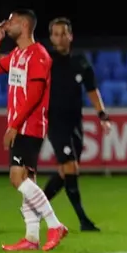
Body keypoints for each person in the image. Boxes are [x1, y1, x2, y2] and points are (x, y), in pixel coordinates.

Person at [0, 11, 68, 251]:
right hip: (20, 124)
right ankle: (31, 237)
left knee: (16, 178)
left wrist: (14, 125)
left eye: (11, 21)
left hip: (29, 125)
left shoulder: (39, 55)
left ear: (23, 25)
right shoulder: (16, 55)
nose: (6, 24)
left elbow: (35, 95)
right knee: (28, 179)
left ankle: (55, 225)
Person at [40, 17, 110, 232]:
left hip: (75, 124)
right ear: (51, 37)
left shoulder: (81, 62)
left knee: (65, 172)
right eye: (56, 34)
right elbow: (15, 63)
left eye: (64, 33)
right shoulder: (45, 60)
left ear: (71, 36)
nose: (60, 38)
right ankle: (83, 220)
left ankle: (34, 208)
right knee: (71, 168)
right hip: (55, 122)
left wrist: (102, 115)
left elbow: (92, 91)